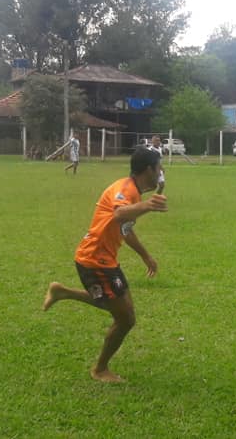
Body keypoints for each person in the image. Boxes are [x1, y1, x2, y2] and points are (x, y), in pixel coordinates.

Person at [42, 147, 167, 383]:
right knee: (126, 318)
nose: (161, 172)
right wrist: (148, 205)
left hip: (104, 260)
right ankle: (100, 369)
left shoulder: (134, 192)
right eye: (159, 167)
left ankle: (62, 292)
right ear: (149, 169)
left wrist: (146, 256)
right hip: (94, 260)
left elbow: (125, 230)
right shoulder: (124, 190)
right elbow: (120, 214)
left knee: (121, 308)